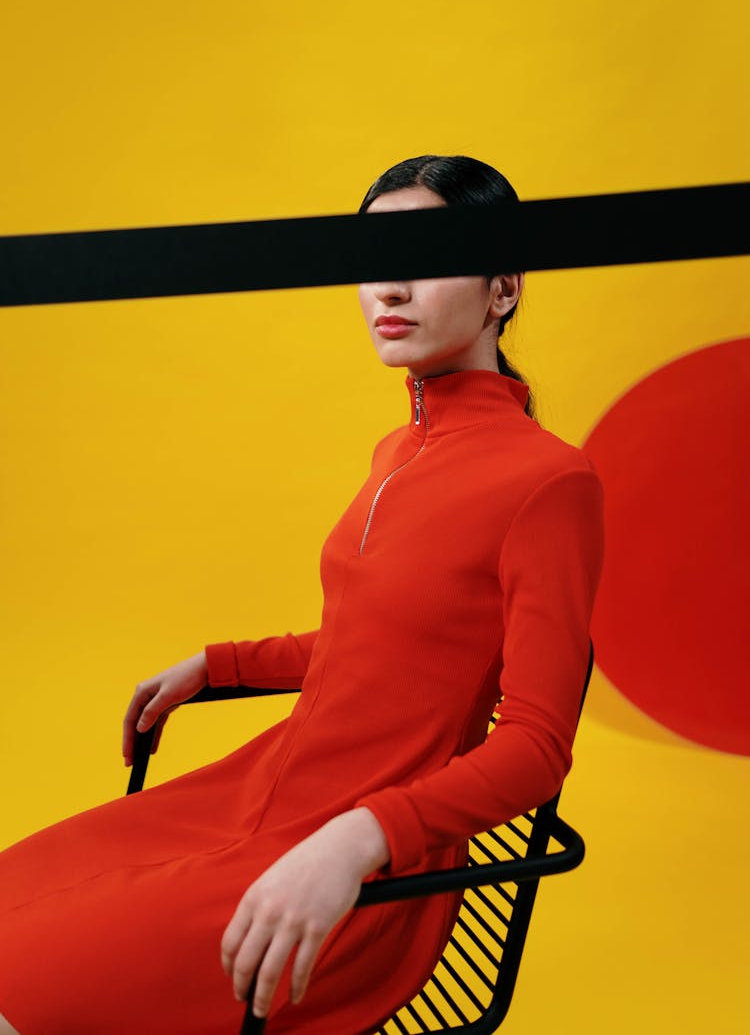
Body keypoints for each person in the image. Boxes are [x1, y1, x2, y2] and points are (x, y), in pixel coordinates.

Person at [0, 154, 605, 1035]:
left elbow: (538, 746)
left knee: (30, 981)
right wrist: (219, 664)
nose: (388, 288)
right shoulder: (398, 452)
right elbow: (383, 648)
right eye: (371, 260)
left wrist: (359, 838)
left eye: (426, 256)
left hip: (358, 869)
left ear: (502, 287)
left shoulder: (550, 482)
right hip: (251, 796)